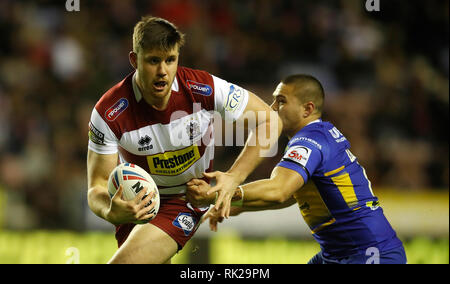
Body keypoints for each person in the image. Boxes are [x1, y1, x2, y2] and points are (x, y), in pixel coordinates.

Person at [86, 16, 281, 264]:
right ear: (135, 60)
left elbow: (270, 121)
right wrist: (110, 210)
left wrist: (234, 176)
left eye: (170, 60)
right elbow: (96, 188)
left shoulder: (203, 88)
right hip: (134, 204)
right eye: (153, 61)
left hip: (185, 198)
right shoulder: (109, 111)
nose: (162, 71)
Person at [186, 74, 407, 264]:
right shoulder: (320, 135)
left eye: (281, 101)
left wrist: (217, 194)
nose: (272, 108)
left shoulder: (310, 141)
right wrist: (238, 205)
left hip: (369, 253)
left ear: (307, 109)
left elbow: (279, 190)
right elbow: (293, 194)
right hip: (340, 253)